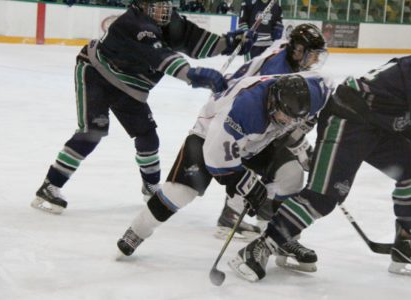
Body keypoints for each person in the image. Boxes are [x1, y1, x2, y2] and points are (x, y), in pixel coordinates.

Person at [229, 34, 411, 282]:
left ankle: (407, 243)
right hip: (348, 121)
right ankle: (261, 247)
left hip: (380, 126)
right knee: (323, 196)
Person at [31, 0, 256, 214]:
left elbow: (197, 41)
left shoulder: (170, 22)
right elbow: (159, 55)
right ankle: (50, 185)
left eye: (166, 5)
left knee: (148, 137)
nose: (164, 10)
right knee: (93, 131)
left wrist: (230, 43)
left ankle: (151, 188)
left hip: (129, 87)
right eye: (157, 6)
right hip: (96, 73)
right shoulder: (133, 24)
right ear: (142, 6)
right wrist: (191, 74)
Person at [116, 72, 334, 273]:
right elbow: (216, 157)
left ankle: (284, 239)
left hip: (259, 140)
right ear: (272, 100)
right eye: (283, 115)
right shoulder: (246, 108)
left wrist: (307, 153)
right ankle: (137, 231)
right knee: (180, 192)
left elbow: (331, 91)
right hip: (209, 138)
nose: (287, 122)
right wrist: (245, 183)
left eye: (293, 118)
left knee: (291, 174)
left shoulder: (315, 93)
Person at [214, 24, 328, 241]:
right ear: (298, 50)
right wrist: (299, 146)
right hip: (240, 123)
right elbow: (274, 118)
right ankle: (232, 215)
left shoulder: (288, 58)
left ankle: (257, 210)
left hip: (246, 120)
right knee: (266, 163)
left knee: (280, 166)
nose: (315, 60)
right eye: (312, 54)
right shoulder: (279, 71)